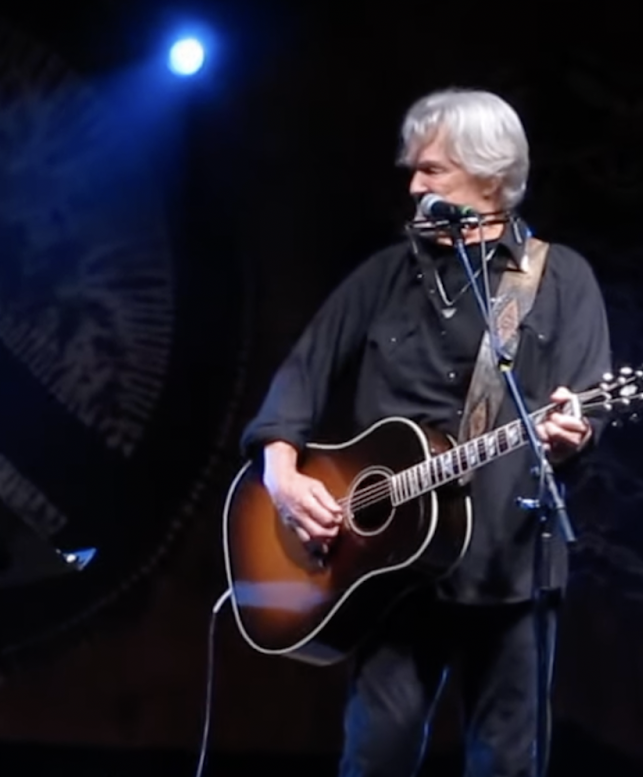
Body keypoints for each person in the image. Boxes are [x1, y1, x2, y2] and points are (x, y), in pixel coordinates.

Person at [238, 88, 613, 777]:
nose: (413, 185)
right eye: (414, 170)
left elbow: (586, 411)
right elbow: (299, 376)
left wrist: (574, 431)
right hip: (391, 569)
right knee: (375, 754)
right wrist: (282, 474)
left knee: (506, 760)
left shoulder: (561, 280)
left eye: (432, 170)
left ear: (489, 174)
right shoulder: (384, 276)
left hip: (510, 566)